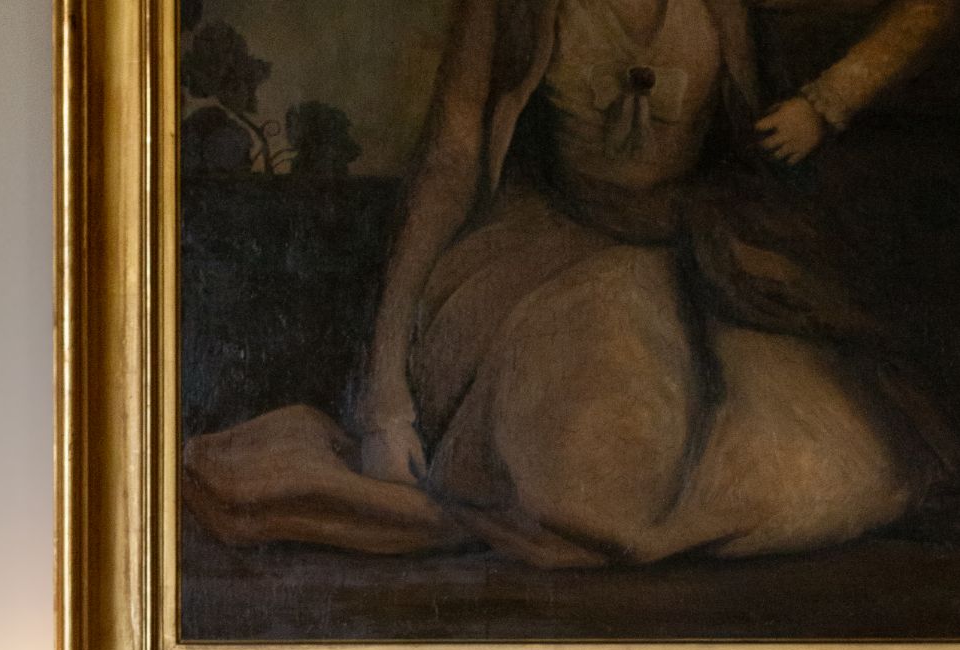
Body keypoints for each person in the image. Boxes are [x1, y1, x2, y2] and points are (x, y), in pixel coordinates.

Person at [183, 0, 954, 565]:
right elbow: (449, 167)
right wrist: (385, 394)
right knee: (595, 463)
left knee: (845, 463)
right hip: (539, 263)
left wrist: (827, 101)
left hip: (697, 258)